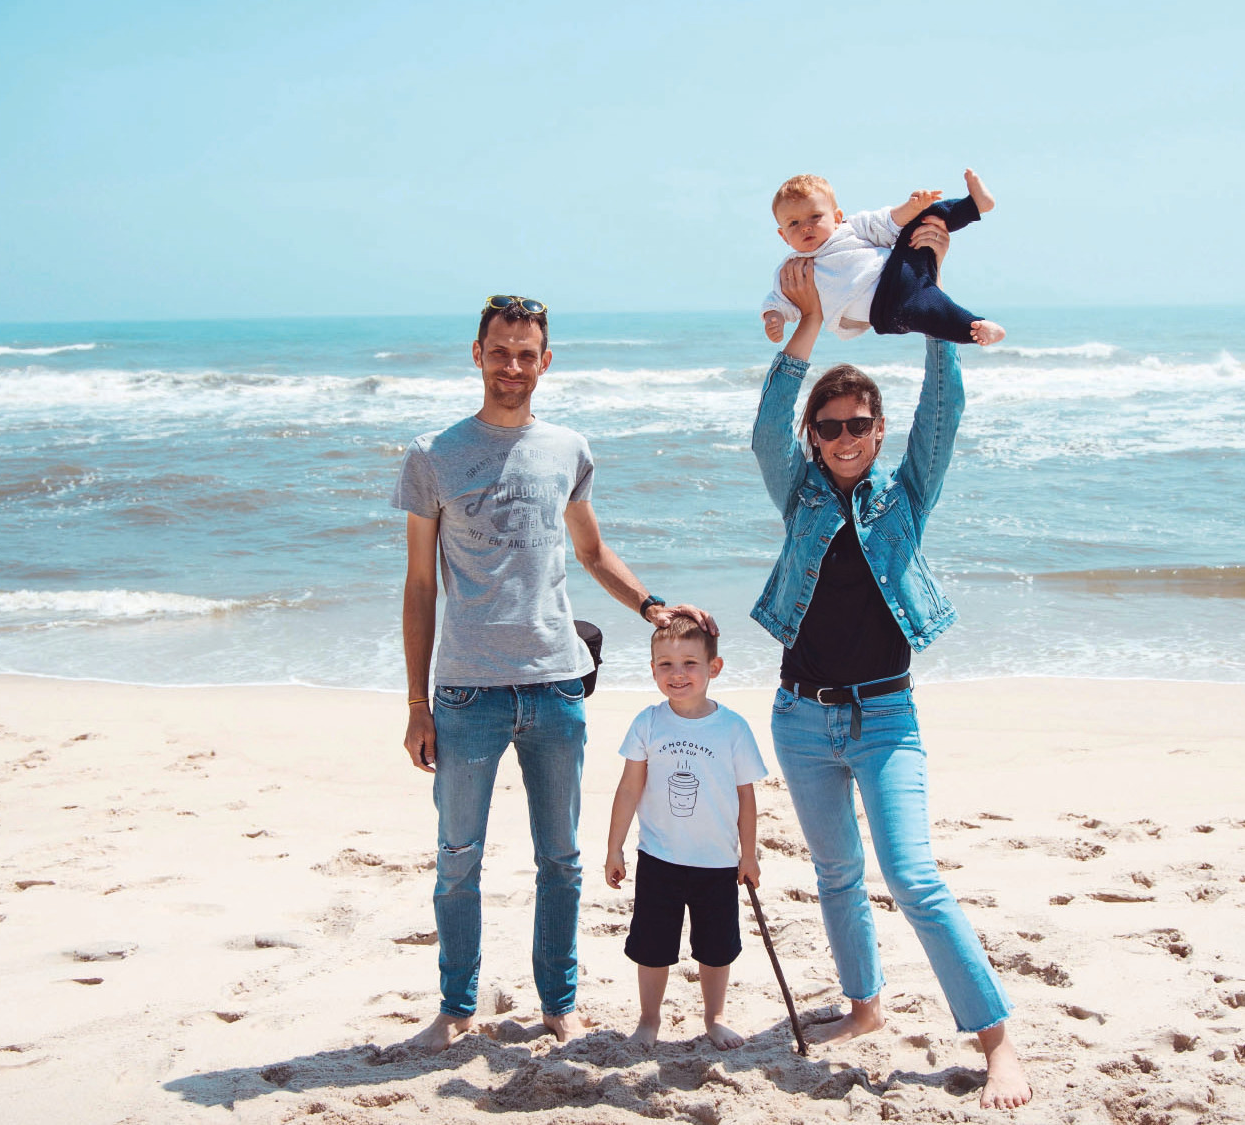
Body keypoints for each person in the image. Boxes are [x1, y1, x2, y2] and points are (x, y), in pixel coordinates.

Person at [749, 227, 1032, 1110]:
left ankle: (997, 1043)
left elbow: (942, 417)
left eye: (859, 424)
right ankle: (864, 1006)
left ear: (877, 429)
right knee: (836, 874)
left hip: (884, 718)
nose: (844, 436)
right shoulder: (795, 489)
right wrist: (804, 324)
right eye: (829, 426)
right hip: (799, 717)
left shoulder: (904, 495)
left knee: (913, 878)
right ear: (816, 433)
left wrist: (935, 310)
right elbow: (766, 429)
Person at [394, 294, 713, 1053]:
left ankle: (559, 1002)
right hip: (466, 690)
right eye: (500, 350)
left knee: (562, 860)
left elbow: (595, 553)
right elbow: (418, 584)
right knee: (457, 858)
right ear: (477, 354)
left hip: (557, 685)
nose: (513, 365)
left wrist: (654, 606)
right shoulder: (432, 454)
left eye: (526, 352)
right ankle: (454, 1004)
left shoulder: (568, 448)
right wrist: (417, 702)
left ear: (546, 359)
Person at [602, 616, 766, 1050]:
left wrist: (748, 855)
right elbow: (628, 787)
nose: (677, 674)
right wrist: (614, 847)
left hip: (717, 861)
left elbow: (746, 798)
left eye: (690, 663)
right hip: (658, 857)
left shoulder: (732, 728)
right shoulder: (648, 723)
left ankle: (714, 1018)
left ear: (714, 667)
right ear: (652, 669)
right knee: (652, 947)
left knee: (716, 948)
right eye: (665, 664)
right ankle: (649, 1020)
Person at [760, 170, 1006, 348]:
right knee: (933, 313)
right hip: (888, 308)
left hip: (900, 266)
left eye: (815, 216)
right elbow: (778, 300)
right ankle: (975, 326)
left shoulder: (851, 228)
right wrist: (775, 317)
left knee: (922, 220)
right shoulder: (794, 269)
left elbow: (889, 221)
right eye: (794, 223)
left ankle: (974, 206)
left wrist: (912, 206)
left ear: (836, 217)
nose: (805, 227)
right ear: (783, 235)